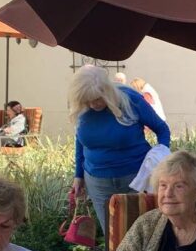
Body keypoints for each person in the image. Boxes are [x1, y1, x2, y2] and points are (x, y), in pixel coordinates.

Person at [71, 66, 171, 234]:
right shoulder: (83, 106)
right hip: (97, 182)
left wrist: (161, 159)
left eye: (97, 99)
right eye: (88, 101)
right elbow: (81, 142)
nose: (93, 104)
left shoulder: (130, 99)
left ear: (107, 90)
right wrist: (78, 175)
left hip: (136, 178)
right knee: (112, 235)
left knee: (144, 233)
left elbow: (162, 129)